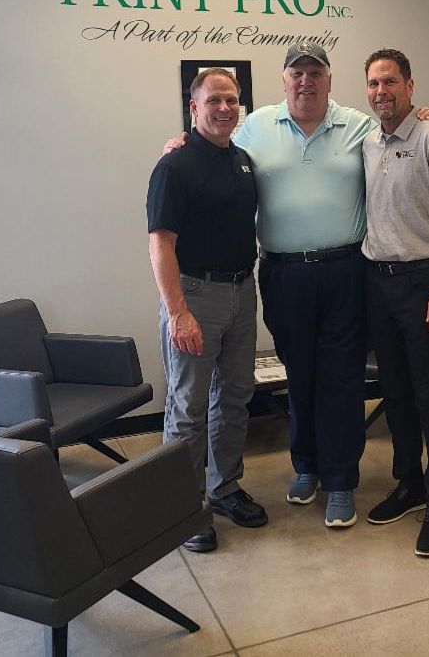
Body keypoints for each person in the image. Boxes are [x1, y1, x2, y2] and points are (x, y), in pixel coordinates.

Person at [164, 44, 429, 529]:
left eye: (315, 72)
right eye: (297, 72)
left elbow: (399, 129)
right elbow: (212, 146)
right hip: (283, 274)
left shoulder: (358, 126)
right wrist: (178, 145)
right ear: (284, 80)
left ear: (329, 80)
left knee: (341, 378)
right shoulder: (255, 127)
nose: (306, 80)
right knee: (300, 374)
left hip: (344, 271)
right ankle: (307, 466)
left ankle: (340, 479)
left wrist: (426, 117)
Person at [147, 68, 268, 553]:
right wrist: (178, 312)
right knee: (188, 406)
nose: (224, 108)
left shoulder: (242, 160)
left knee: (236, 395)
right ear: (193, 108)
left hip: (241, 291)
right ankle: (184, 507)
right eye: (214, 100)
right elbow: (160, 245)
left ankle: (224, 488)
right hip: (194, 295)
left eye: (232, 100)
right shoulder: (174, 167)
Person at [360, 48, 429, 558]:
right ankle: (409, 484)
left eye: (390, 81)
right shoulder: (368, 142)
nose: (381, 91)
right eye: (373, 83)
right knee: (396, 393)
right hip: (378, 282)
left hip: (424, 280)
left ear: (410, 86)